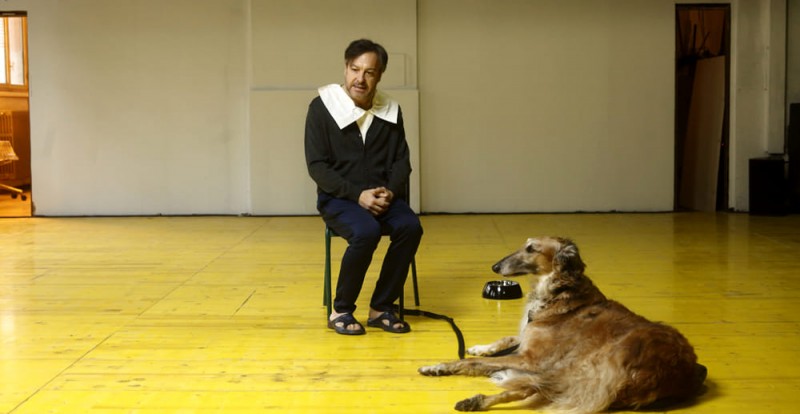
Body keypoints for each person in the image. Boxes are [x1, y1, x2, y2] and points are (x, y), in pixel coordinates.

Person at [305, 39, 423, 336]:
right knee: (366, 231)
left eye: (369, 72)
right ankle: (341, 309)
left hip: (382, 197)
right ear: (345, 69)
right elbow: (317, 166)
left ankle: (381, 307)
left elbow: (402, 161)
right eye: (355, 69)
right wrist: (357, 195)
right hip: (339, 199)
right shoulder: (321, 108)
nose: (360, 78)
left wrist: (390, 192)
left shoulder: (391, 111)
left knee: (411, 227)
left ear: (379, 75)